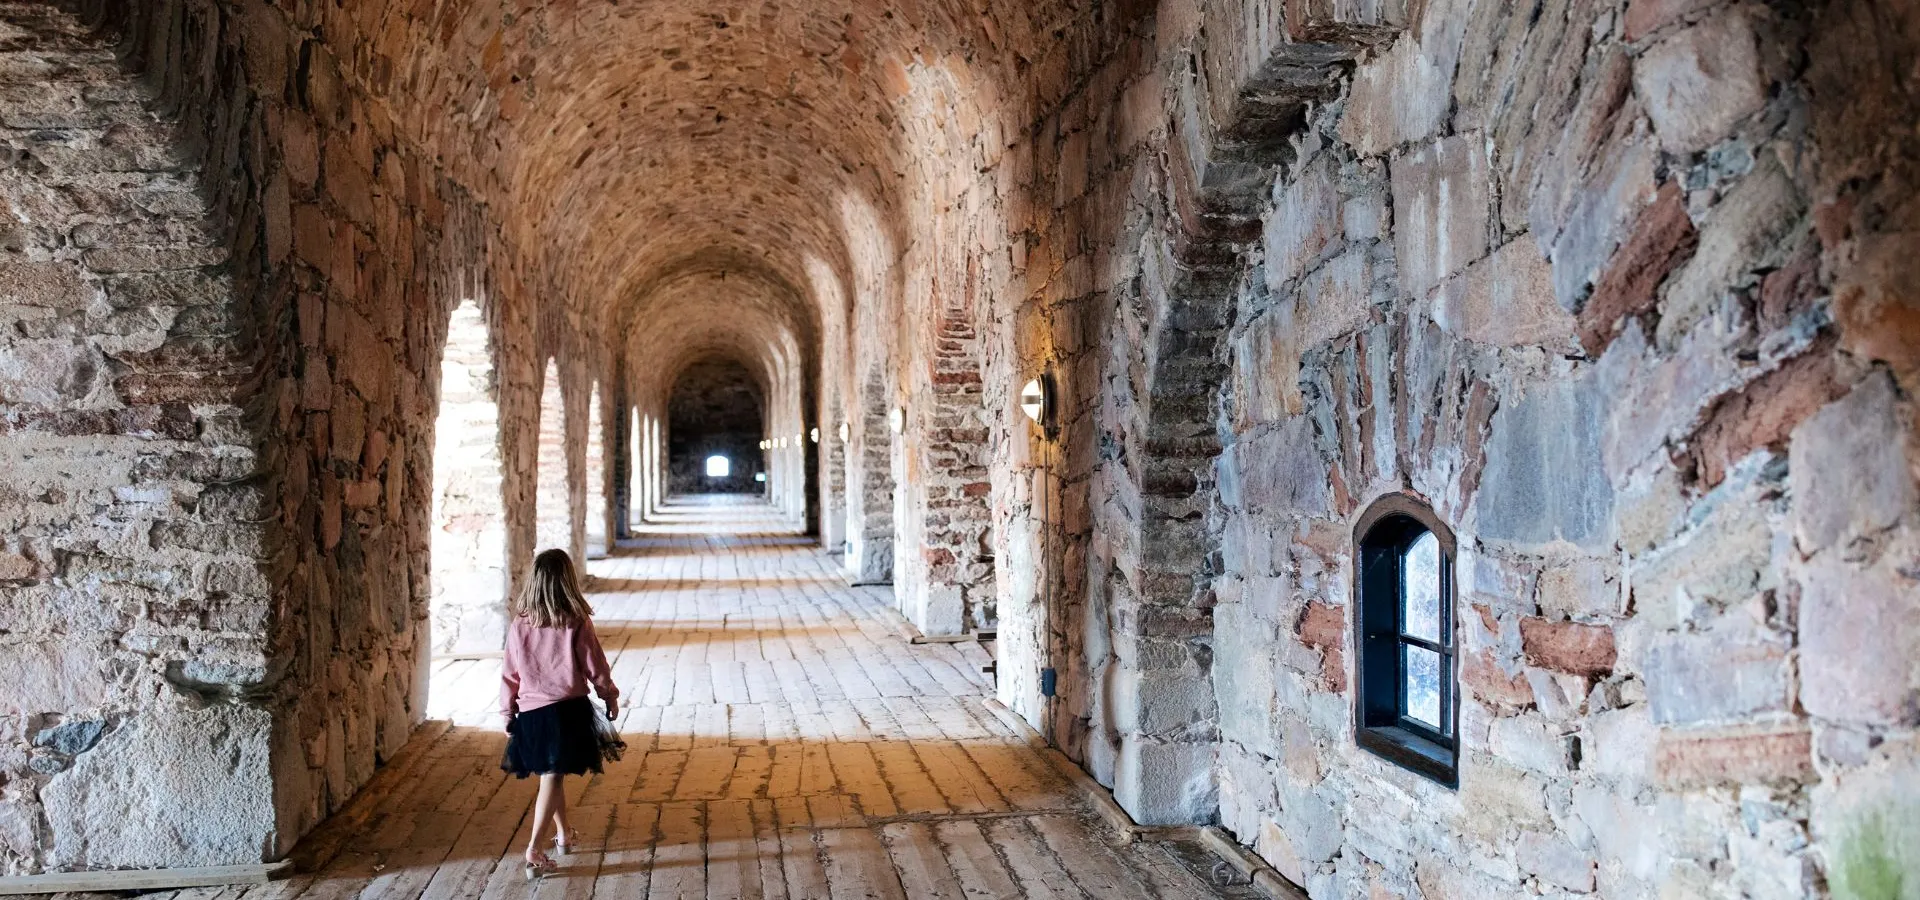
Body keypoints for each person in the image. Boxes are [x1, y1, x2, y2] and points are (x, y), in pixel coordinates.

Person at [500, 548, 622, 880]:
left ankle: (565, 833)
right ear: (567, 581)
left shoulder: (520, 624)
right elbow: (595, 665)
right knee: (553, 775)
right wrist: (608, 695)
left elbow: (509, 673)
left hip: (533, 713)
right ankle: (534, 849)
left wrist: (507, 710)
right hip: (567, 712)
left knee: (553, 774)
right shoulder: (576, 621)